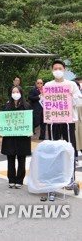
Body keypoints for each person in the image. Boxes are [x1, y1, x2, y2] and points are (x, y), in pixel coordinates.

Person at [43, 60, 82, 192]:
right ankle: (55, 179)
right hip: (53, 122)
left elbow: (79, 102)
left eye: (60, 68)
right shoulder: (48, 85)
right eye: (55, 68)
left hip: (68, 121)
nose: (58, 70)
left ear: (64, 70)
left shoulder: (71, 85)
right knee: (54, 150)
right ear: (52, 70)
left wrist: (72, 97)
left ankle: (71, 179)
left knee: (69, 149)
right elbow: (44, 103)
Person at [1, 85, 31, 189]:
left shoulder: (27, 105)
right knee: (10, 158)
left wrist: (30, 130)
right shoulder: (7, 106)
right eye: (13, 92)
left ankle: (19, 180)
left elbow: (33, 119)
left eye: (17, 92)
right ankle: (11, 179)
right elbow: (2, 120)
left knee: (21, 159)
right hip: (10, 136)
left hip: (23, 137)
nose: (15, 94)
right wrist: (2, 130)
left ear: (21, 93)